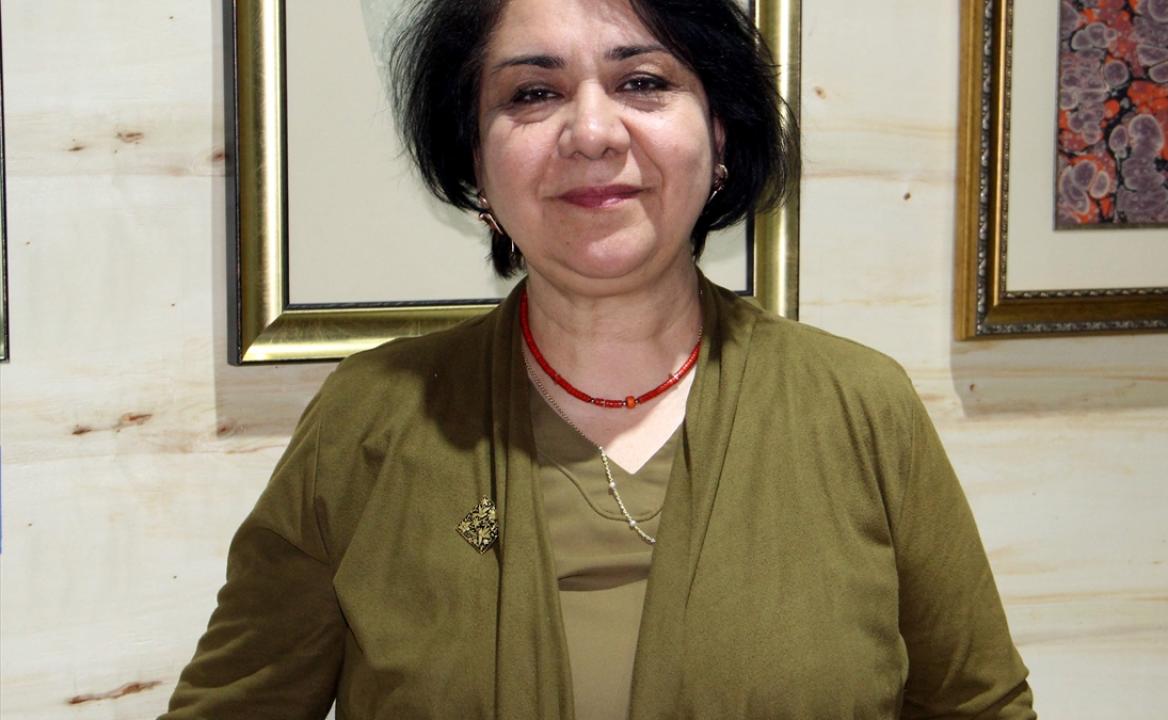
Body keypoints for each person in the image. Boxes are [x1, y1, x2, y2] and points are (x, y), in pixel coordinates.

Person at [164, 0, 1035, 717]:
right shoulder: (372, 421)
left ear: (719, 134)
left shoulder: (859, 409)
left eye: (643, 82)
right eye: (533, 93)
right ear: (476, 163)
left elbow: (978, 707)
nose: (591, 132)